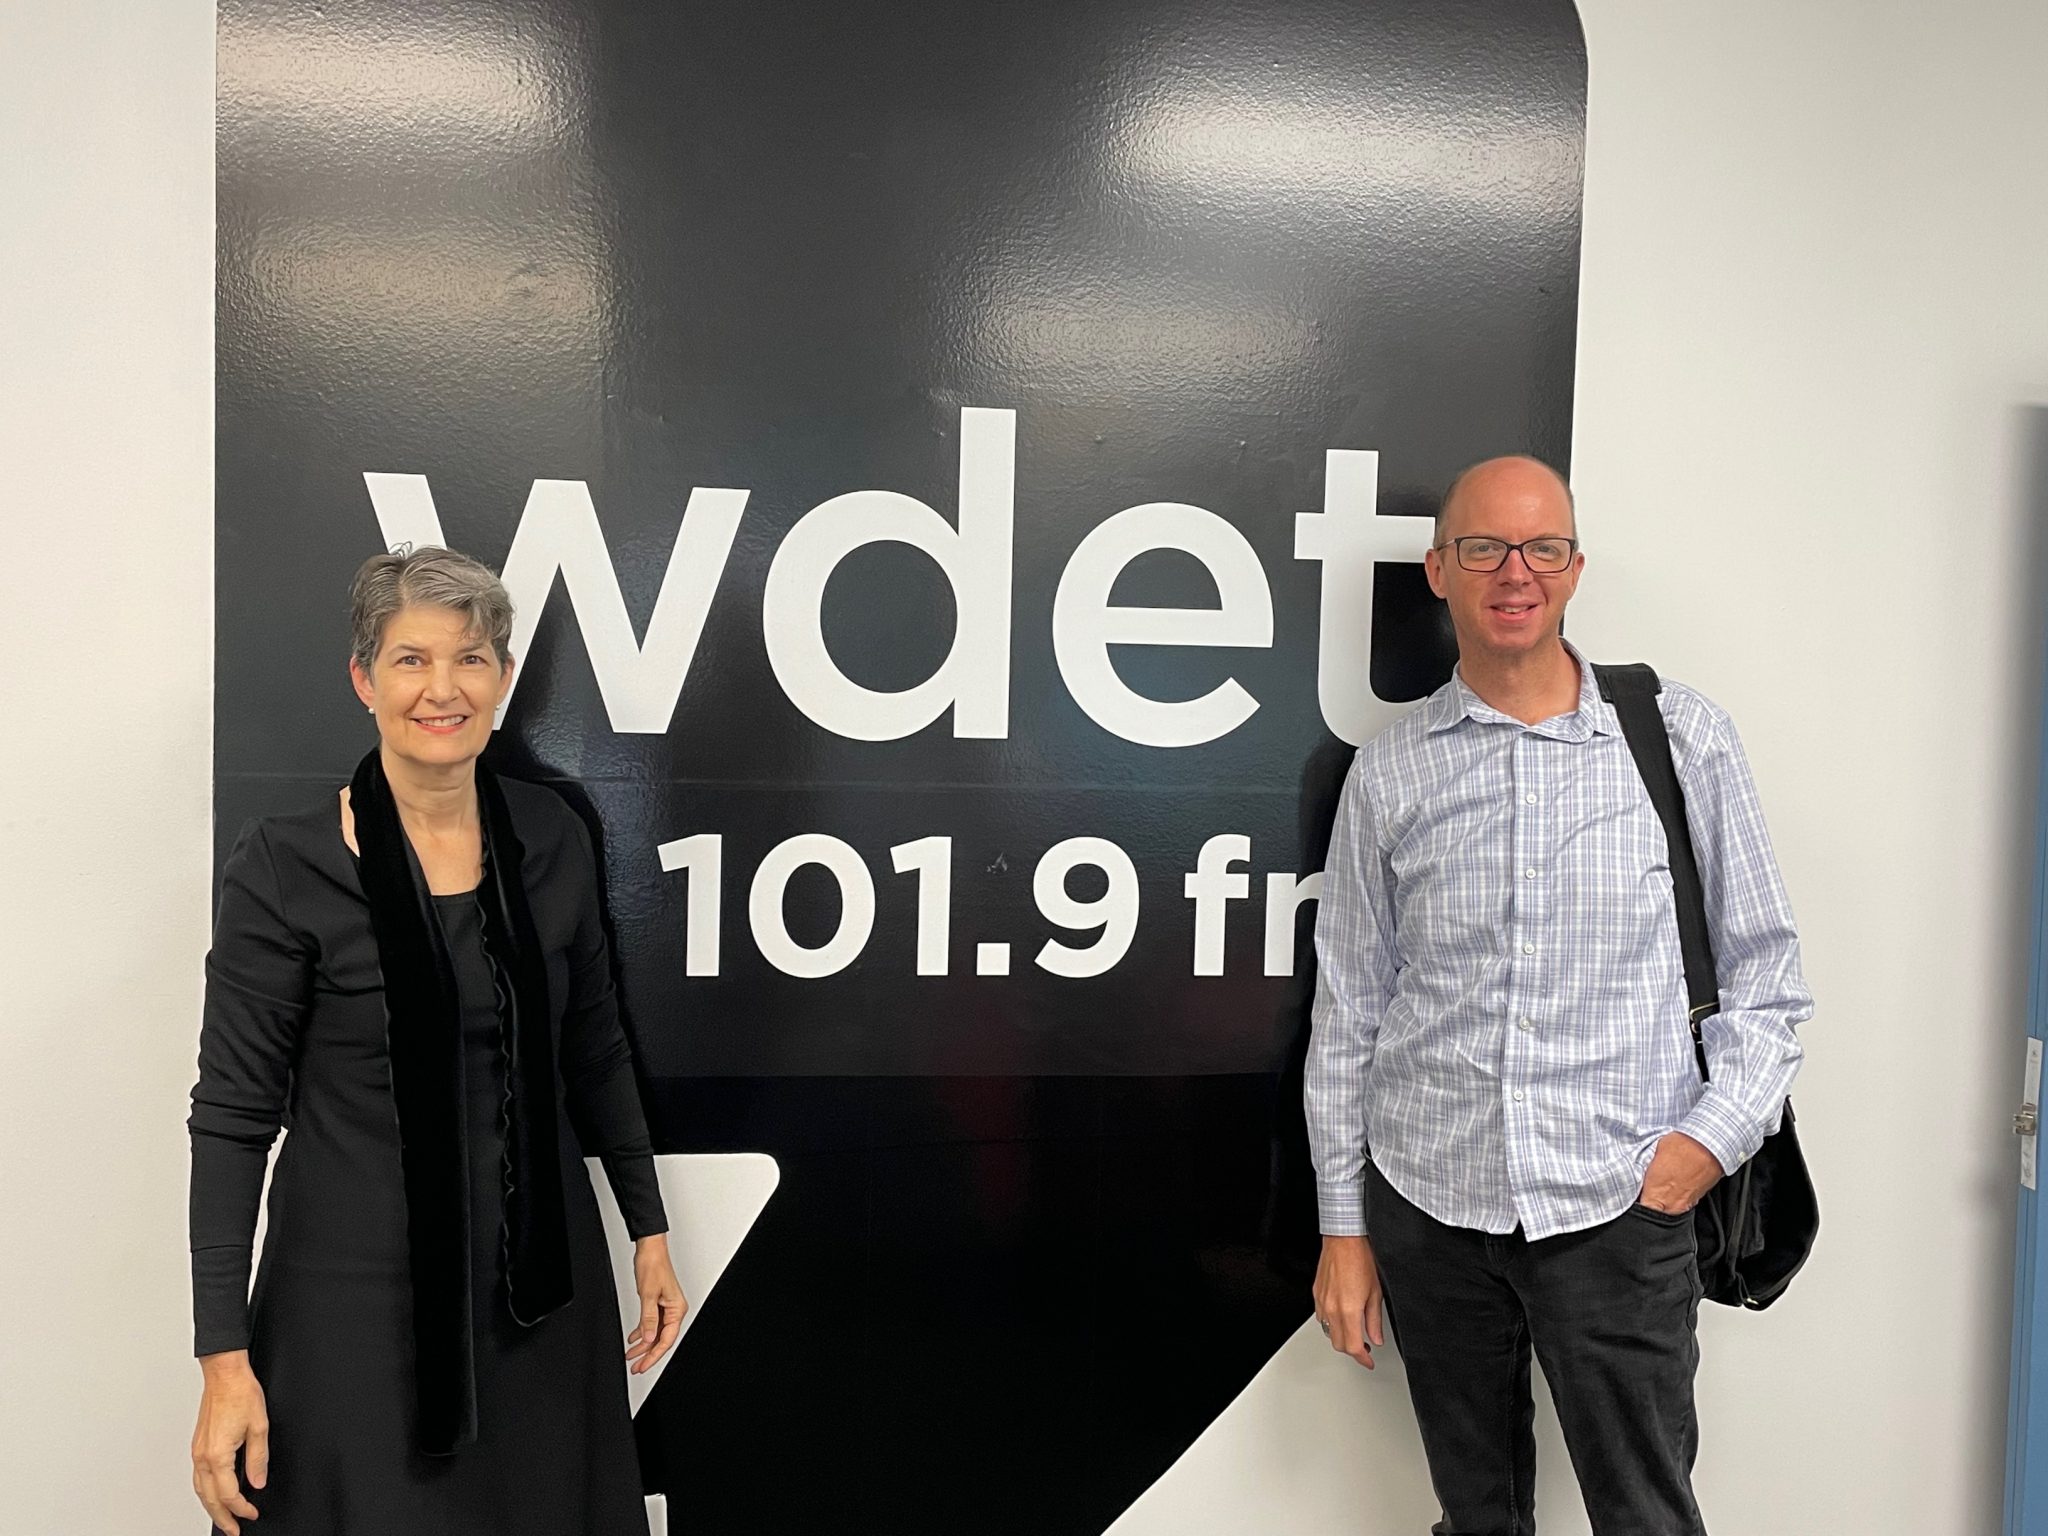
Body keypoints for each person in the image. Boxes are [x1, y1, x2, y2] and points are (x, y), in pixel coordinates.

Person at [1304, 456, 1811, 1534]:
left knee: (1645, 1516)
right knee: (1475, 1518)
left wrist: (1703, 1146)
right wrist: (1343, 1229)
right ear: (1439, 570)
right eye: (1482, 548)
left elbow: (1768, 977)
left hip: (1618, 1209)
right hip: (1431, 1205)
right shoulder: (1390, 773)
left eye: (1539, 548)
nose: (1512, 573)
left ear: (1573, 568)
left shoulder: (1678, 739)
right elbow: (1348, 1009)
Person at [188, 547, 686, 1535]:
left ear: (501, 680)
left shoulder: (552, 835)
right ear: (364, 678)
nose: (442, 689)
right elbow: (232, 1122)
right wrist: (222, 1357)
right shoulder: (285, 868)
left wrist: (648, 1228)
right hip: (350, 1311)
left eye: (470, 658)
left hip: (540, 1306)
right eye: (411, 660)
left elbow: (593, 1046)